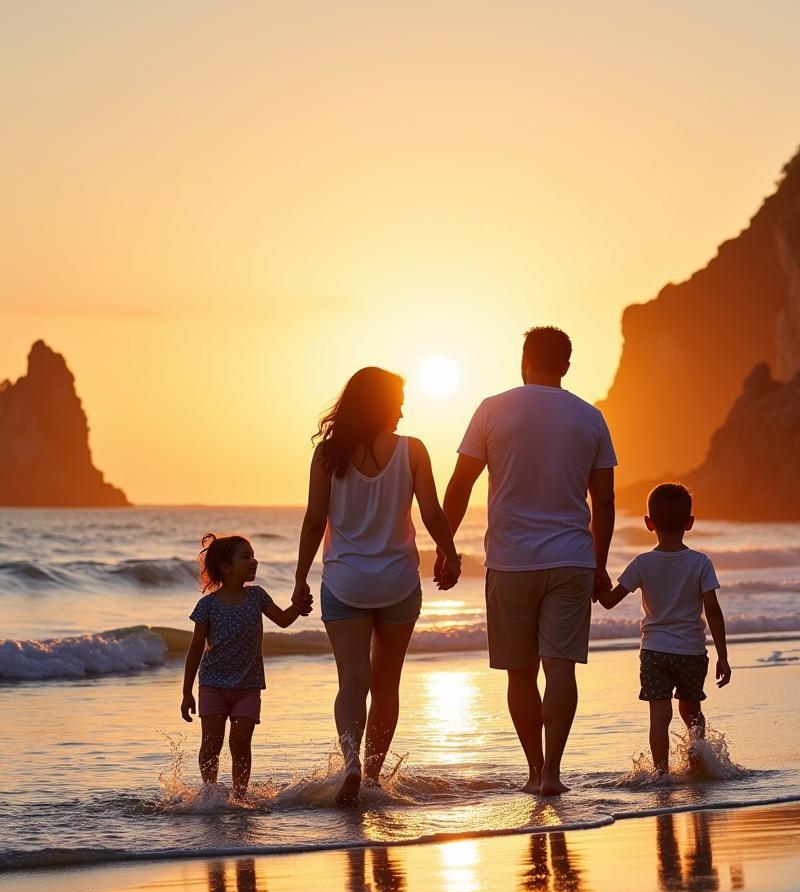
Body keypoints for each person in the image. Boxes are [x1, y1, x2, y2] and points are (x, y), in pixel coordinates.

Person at [436, 326, 617, 796]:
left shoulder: (492, 408)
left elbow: (460, 486)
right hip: (572, 559)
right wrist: (599, 565)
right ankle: (554, 773)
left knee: (520, 672)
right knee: (561, 669)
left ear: (523, 359)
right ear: (567, 365)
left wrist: (446, 549)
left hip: (511, 561)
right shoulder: (591, 417)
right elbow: (605, 501)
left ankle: (534, 771)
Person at [292, 367, 461, 805]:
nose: (403, 410)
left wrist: (299, 579)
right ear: (382, 403)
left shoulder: (328, 455)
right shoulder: (413, 451)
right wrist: (450, 552)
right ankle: (371, 776)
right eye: (398, 401)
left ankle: (350, 761)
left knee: (351, 681)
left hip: (345, 582)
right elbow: (432, 513)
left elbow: (314, 521)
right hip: (398, 583)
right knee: (386, 685)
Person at [596, 483, 731, 775]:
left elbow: (608, 602)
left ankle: (661, 776)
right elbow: (713, 610)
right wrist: (723, 655)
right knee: (691, 712)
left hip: (655, 651)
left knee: (659, 716)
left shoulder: (642, 564)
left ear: (648, 523)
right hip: (691, 652)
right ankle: (698, 765)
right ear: (690, 523)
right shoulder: (700, 563)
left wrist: (593, 577)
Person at [180, 533, 312, 798]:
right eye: (246, 556)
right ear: (226, 567)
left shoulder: (257, 596)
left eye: (253, 555)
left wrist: (299, 607)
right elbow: (195, 649)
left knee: (240, 742)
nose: (254, 561)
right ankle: (210, 796)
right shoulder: (207, 606)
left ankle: (240, 796)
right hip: (212, 684)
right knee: (211, 744)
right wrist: (186, 692)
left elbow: (284, 620)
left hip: (249, 686)